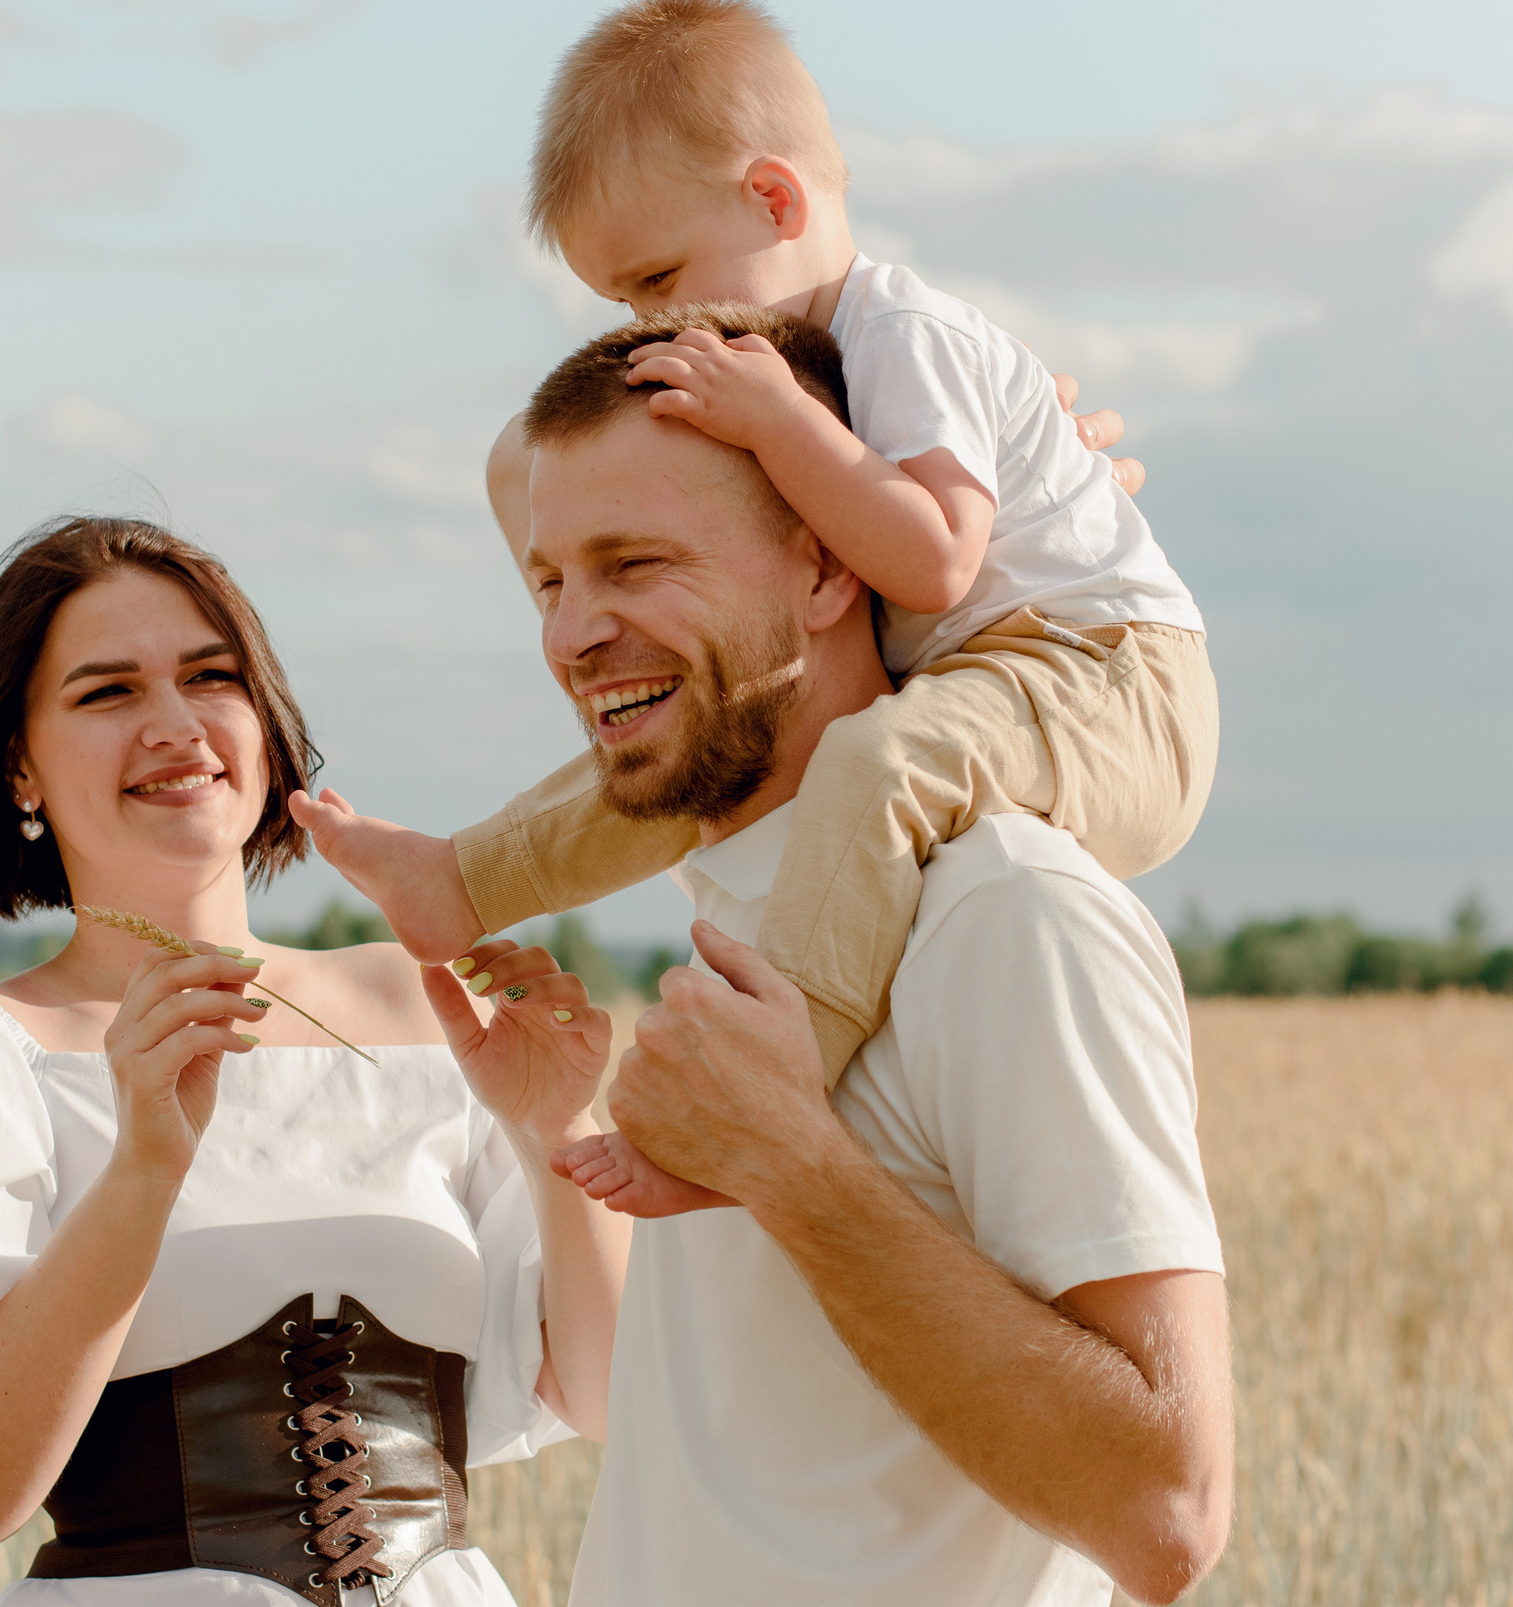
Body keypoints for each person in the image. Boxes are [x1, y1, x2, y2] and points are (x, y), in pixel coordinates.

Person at [301, 311, 1233, 1605]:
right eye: (550, 581)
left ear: (830, 568)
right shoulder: (736, 920)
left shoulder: (1007, 915)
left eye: (636, 562)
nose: (573, 635)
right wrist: (555, 1132)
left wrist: (793, 1164)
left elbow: (1167, 1510)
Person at [301, 0, 1217, 1217]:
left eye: (658, 280)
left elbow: (939, 563)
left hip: (1104, 676)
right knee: (707, 743)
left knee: (876, 763)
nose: (655, 325)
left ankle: (766, 1081)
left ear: (775, 202)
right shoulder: (828, 368)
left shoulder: (905, 335)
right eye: (624, 305)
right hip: (992, 671)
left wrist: (780, 421)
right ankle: (465, 880)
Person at [0, 517, 628, 1607]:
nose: (175, 725)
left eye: (212, 677)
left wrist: (558, 1135)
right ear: (19, 763)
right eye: (107, 694)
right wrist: (144, 1171)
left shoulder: (424, 1003)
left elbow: (610, 1398)